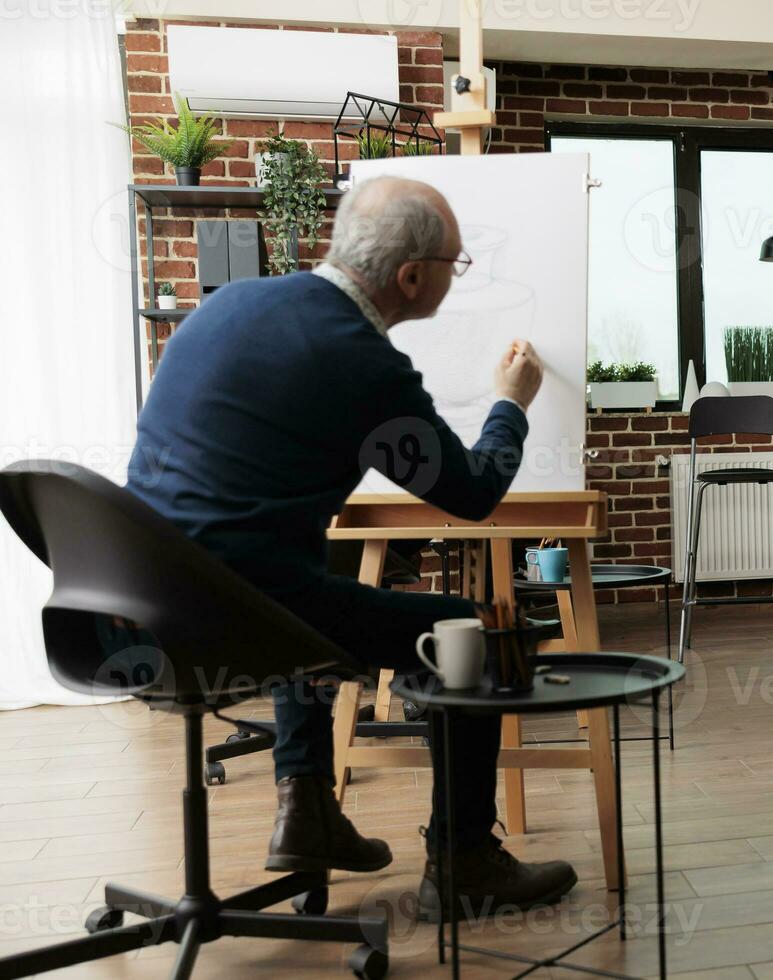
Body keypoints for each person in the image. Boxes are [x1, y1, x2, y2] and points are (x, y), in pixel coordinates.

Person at [125, 176, 577, 920]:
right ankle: (464, 863)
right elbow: (472, 493)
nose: (452, 280)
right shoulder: (359, 361)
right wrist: (510, 402)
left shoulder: (229, 304)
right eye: (454, 267)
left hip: (134, 610)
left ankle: (304, 806)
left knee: (305, 575)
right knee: (473, 633)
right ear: (410, 277)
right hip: (231, 621)